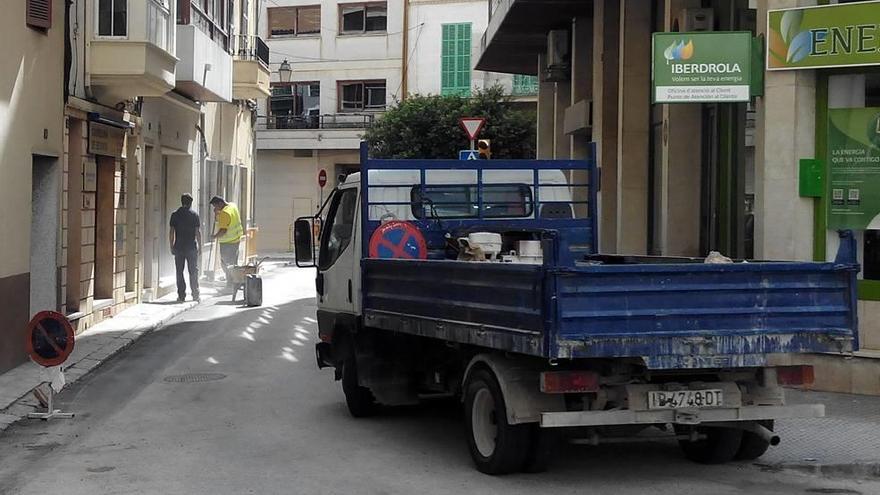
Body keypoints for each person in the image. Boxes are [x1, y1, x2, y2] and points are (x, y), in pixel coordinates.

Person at [169, 194, 202, 302]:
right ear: (191, 203)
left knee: (179, 271)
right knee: (193, 271)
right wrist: (200, 246)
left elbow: (171, 232)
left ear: (181, 201)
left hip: (178, 247)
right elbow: (198, 232)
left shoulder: (175, 215)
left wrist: (171, 245)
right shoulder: (194, 215)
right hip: (191, 247)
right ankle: (195, 294)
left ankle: (181, 295)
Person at [210, 196, 244, 290]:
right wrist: (217, 214)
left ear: (220, 204)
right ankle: (236, 282)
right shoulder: (233, 205)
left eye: (215, 206)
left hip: (227, 242)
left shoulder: (224, 213)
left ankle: (230, 285)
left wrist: (214, 236)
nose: (215, 208)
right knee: (233, 264)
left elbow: (223, 230)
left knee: (226, 264)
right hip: (236, 240)